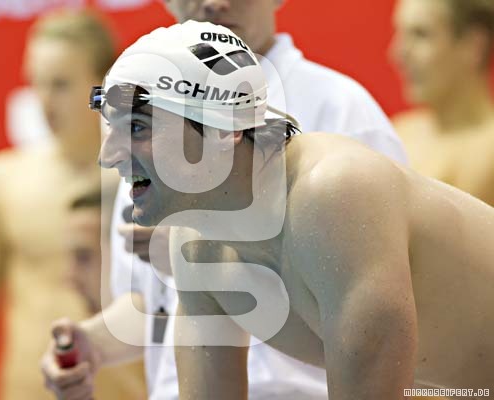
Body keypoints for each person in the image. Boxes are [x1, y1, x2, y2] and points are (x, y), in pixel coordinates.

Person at [94, 21, 493, 398]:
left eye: (138, 128)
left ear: (225, 128)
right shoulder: (196, 243)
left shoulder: (333, 194)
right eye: (112, 128)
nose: (108, 156)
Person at [41, 1, 409, 399]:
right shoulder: (142, 126)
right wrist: (95, 345)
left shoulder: (343, 120)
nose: (214, 3)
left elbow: (381, 320)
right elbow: (157, 307)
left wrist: (221, 259)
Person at [0, 9, 146, 400]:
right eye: (37, 84)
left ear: (105, 83)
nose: (45, 102)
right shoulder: (0, 182)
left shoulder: (146, 182)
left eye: (61, 85)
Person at [390, 0, 494, 205]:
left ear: (474, 45)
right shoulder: (399, 132)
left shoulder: (488, 151)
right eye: (400, 34)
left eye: (420, 35)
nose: (399, 54)